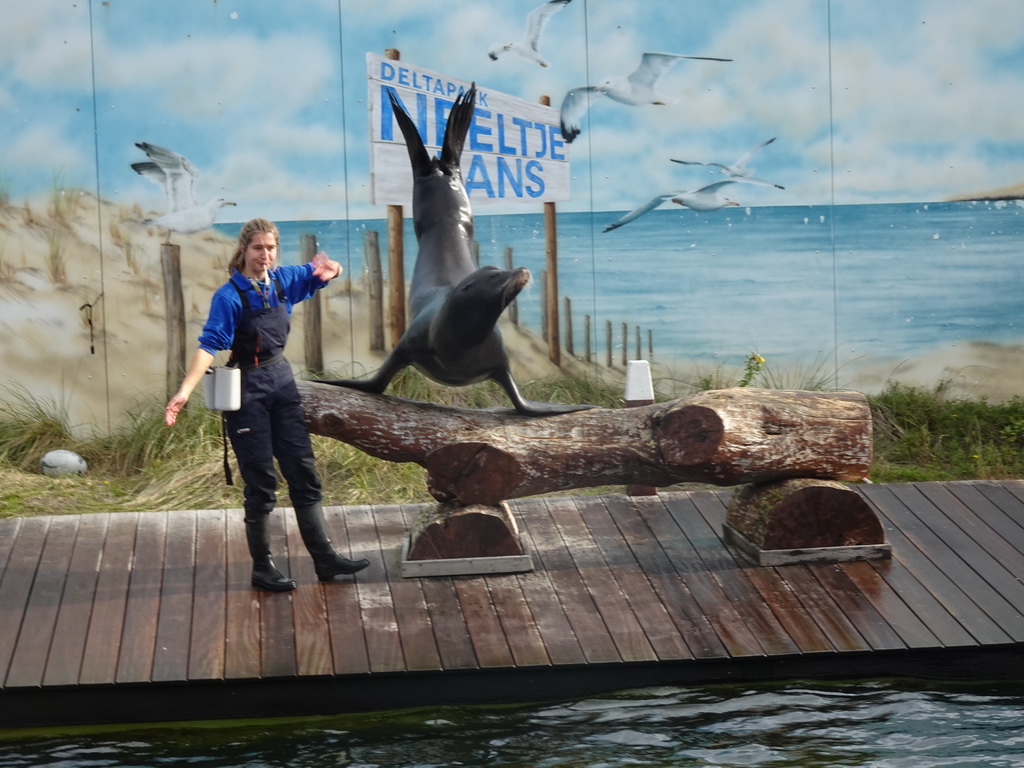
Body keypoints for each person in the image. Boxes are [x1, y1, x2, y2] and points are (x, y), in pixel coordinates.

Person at [165, 218, 368, 591]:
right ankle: (263, 569)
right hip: (247, 393)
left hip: (282, 385)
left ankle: (325, 559)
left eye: (271, 248)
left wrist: (332, 269)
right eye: (258, 248)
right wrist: (184, 391)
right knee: (261, 483)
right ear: (244, 250)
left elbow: (323, 269)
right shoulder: (228, 296)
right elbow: (209, 346)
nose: (265, 255)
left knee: (304, 472)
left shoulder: (282, 279)